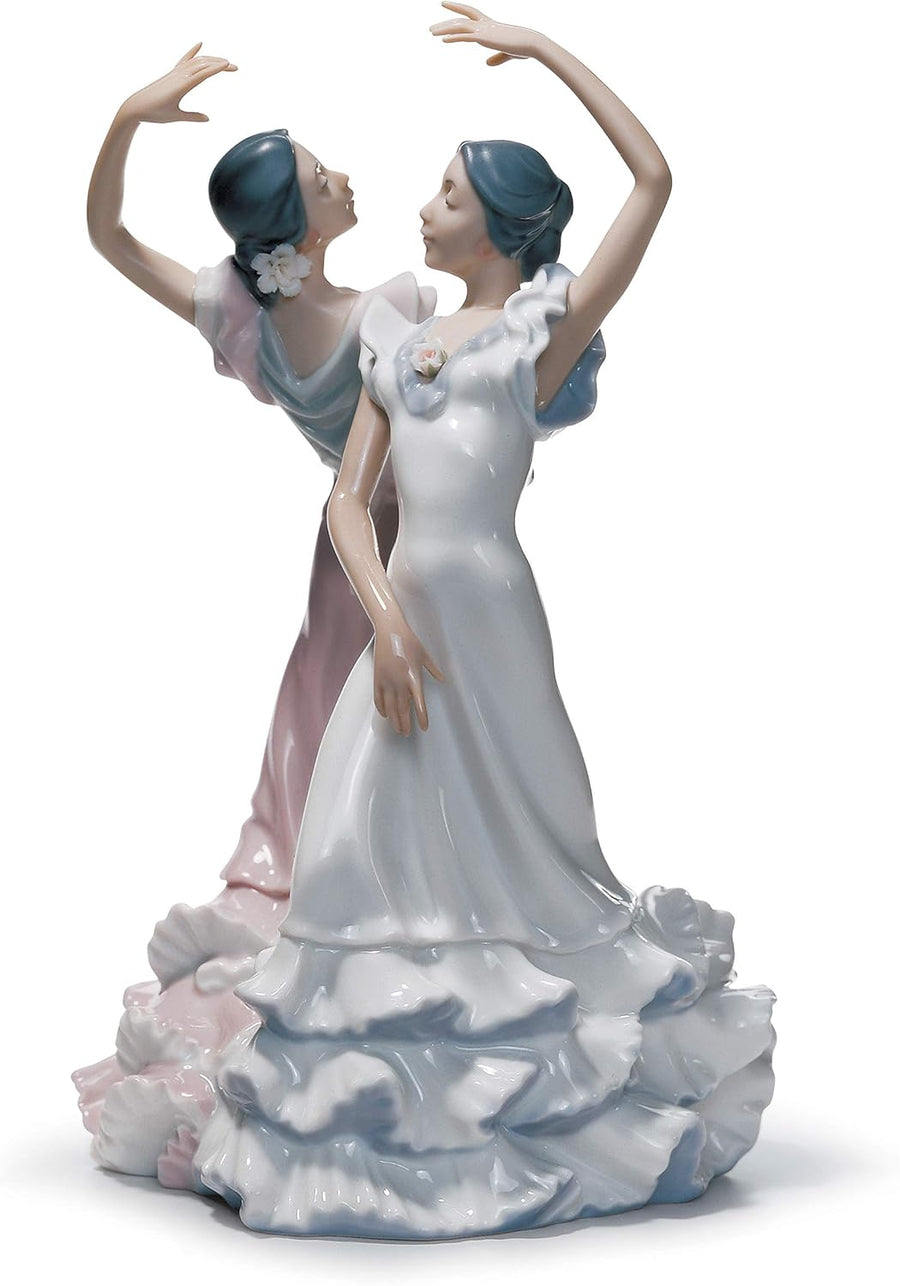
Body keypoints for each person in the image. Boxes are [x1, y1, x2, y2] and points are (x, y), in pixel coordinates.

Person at [191, 6, 776, 1239]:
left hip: (496, 622)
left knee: (532, 830)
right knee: (359, 841)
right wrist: (388, 623)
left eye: (450, 191)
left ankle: (537, 1051)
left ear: (501, 225)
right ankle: (383, 1080)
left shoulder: (535, 338)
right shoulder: (397, 349)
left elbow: (654, 180)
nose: (426, 205)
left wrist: (548, 52)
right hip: (408, 625)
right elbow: (349, 503)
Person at [71, 44, 435, 1188]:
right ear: (302, 226)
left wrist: (127, 121)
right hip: (405, 550)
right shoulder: (389, 310)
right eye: (325, 179)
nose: (344, 179)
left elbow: (108, 235)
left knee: (318, 725)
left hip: (342, 554)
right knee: (377, 733)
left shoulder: (252, 314)